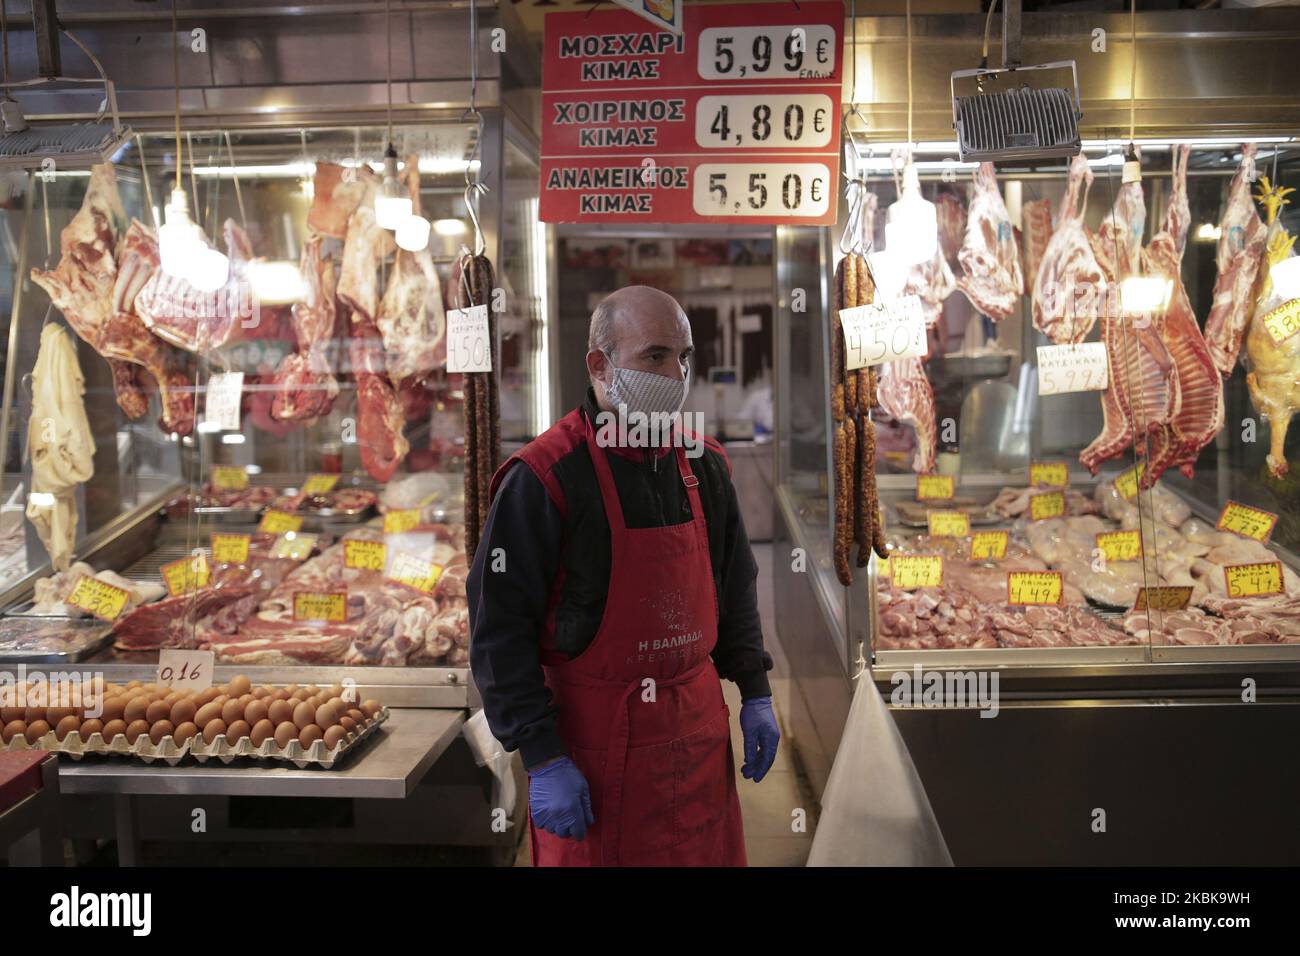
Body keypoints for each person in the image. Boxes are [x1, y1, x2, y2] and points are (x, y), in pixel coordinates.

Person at [468, 285, 779, 866]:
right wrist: (541, 754)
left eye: (684, 357)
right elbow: (497, 629)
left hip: (696, 737)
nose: (676, 374)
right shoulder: (544, 477)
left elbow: (735, 587)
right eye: (656, 356)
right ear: (599, 366)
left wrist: (755, 690)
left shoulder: (705, 465)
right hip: (592, 753)